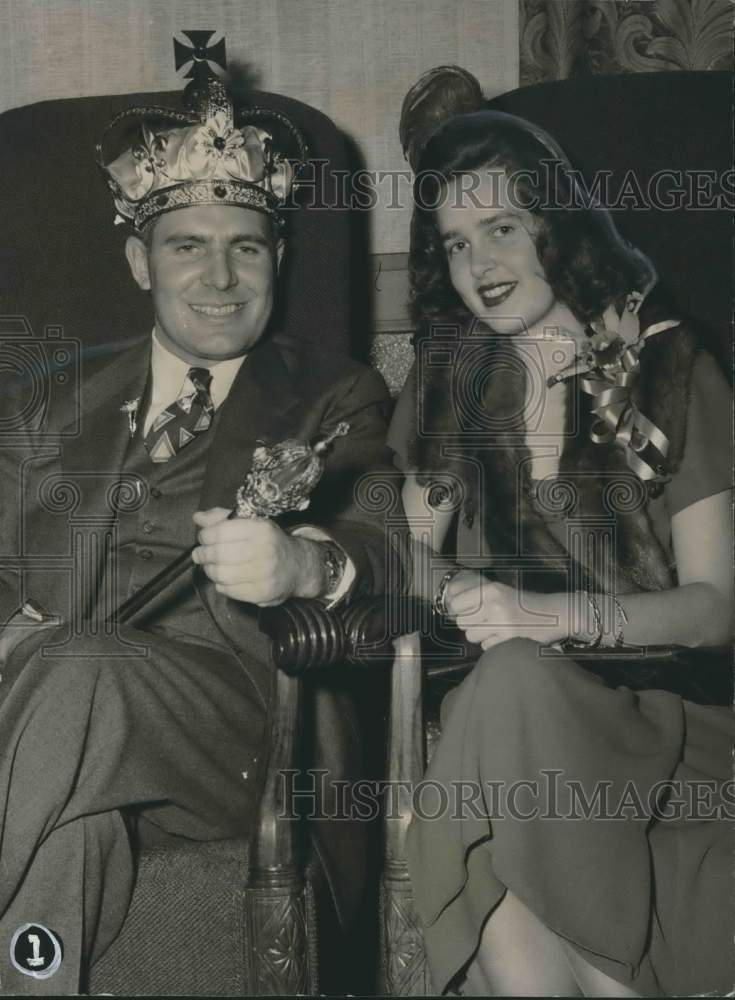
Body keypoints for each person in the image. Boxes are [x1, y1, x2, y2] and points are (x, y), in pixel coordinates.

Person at [0, 73, 397, 993]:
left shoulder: (335, 393)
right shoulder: (44, 402)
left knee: (80, 664)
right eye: (186, 246)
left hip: (246, 736)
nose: (219, 279)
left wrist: (304, 564)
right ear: (141, 261)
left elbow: (391, 550)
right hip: (58, 735)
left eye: (245, 249)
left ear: (279, 257)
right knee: (71, 820)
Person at [388, 67, 733, 997]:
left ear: (556, 223)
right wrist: (437, 585)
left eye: (501, 228)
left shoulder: (665, 366)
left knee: (502, 698)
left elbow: (712, 610)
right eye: (455, 244)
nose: (480, 265)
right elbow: (406, 560)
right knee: (499, 696)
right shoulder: (450, 383)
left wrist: (544, 615)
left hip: (665, 718)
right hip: (512, 712)